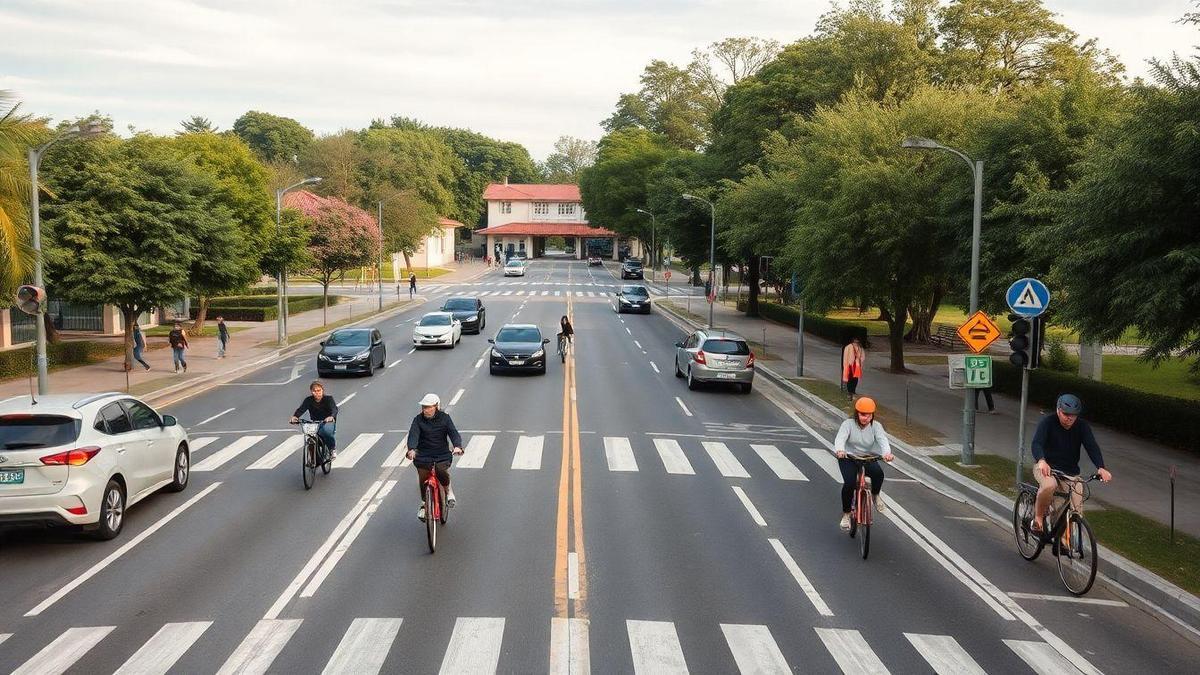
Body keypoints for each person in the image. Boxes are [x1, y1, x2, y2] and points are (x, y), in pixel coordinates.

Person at [1030, 394, 1113, 534]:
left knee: (1075, 511)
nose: (1070, 418)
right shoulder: (1048, 422)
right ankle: (1038, 518)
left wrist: (1101, 467)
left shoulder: (1082, 426)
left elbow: (1091, 446)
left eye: (1074, 415)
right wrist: (1042, 460)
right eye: (1066, 414)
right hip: (1047, 468)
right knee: (1049, 485)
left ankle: (1065, 542)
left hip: (1070, 472)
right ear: (1058, 410)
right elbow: (1036, 443)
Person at [834, 397, 894, 531]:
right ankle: (846, 514)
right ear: (857, 413)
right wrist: (840, 450)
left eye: (868, 415)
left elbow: (883, 441)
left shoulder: (876, 426)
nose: (865, 418)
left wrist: (887, 454)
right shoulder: (848, 424)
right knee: (849, 484)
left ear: (872, 415)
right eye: (862, 414)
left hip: (867, 457)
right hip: (848, 457)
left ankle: (875, 495)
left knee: (878, 474)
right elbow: (840, 439)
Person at [406, 393, 464, 521]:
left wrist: (457, 446)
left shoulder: (445, 418)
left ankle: (448, 491)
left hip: (441, 453)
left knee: (441, 470)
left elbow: (453, 433)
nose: (425, 410)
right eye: (423, 407)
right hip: (423, 454)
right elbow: (413, 435)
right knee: (423, 476)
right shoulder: (418, 420)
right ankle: (424, 503)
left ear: (436, 406)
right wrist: (411, 449)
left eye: (428, 407)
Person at [291, 380, 338, 459]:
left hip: (327, 422)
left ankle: (332, 449)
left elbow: (334, 409)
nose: (317, 393)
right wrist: (295, 417)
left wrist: (331, 417)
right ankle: (313, 459)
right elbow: (301, 409)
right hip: (314, 423)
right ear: (311, 391)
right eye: (314, 391)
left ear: (322, 390)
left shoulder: (328, 399)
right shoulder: (308, 400)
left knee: (327, 433)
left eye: (319, 390)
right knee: (310, 436)